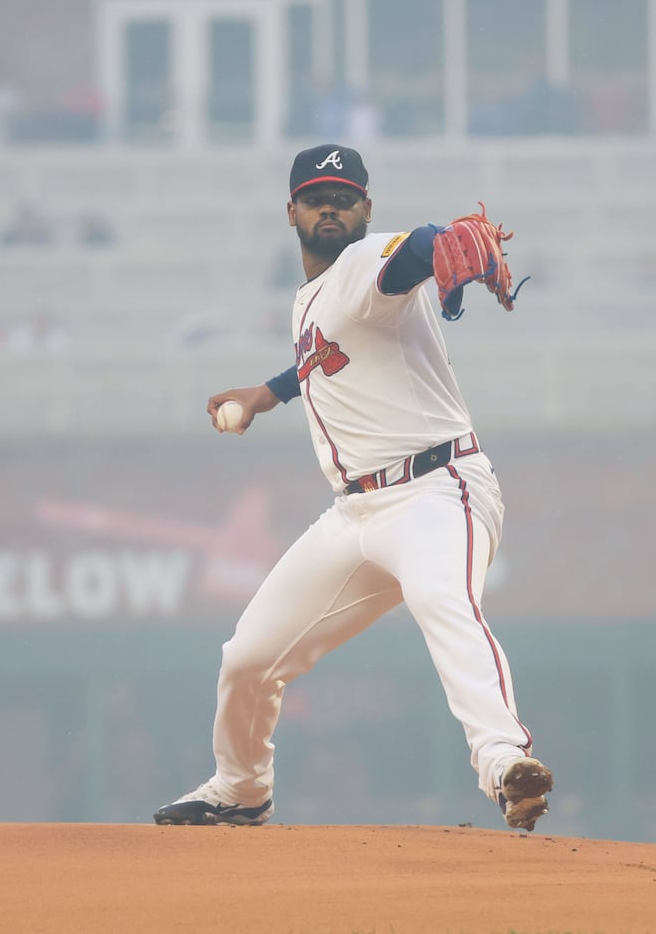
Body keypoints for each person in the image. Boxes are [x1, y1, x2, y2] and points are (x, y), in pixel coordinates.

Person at [153, 144, 552, 832]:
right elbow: (326, 352)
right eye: (315, 197)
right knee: (248, 659)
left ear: (366, 208)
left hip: (436, 490)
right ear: (292, 212)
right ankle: (241, 788)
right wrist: (269, 393)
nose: (329, 206)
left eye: (343, 196)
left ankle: (505, 761)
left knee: (442, 601)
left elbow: (415, 252)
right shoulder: (312, 297)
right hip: (356, 514)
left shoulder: (368, 263)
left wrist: (442, 243)